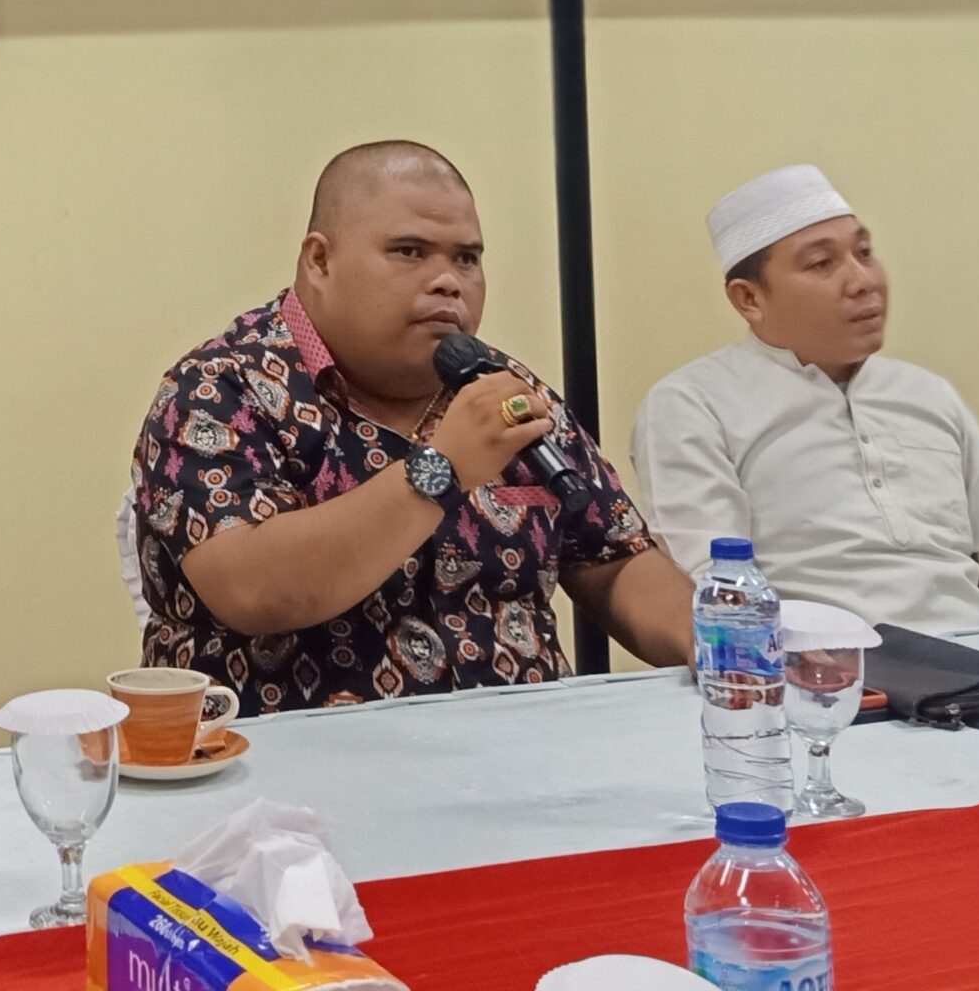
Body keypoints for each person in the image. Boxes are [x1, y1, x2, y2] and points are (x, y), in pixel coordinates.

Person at [132, 142, 693, 713]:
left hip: (525, 744)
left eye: (467, 259)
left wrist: (712, 640)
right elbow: (252, 590)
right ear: (319, 260)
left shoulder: (499, 388)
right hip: (289, 755)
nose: (448, 281)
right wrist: (441, 470)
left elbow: (613, 558)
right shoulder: (220, 390)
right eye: (409, 251)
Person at [630, 163, 979, 633]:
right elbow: (720, 590)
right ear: (749, 299)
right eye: (822, 263)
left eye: (864, 253)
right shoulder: (692, 405)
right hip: (825, 670)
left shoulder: (924, 393)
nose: (863, 282)